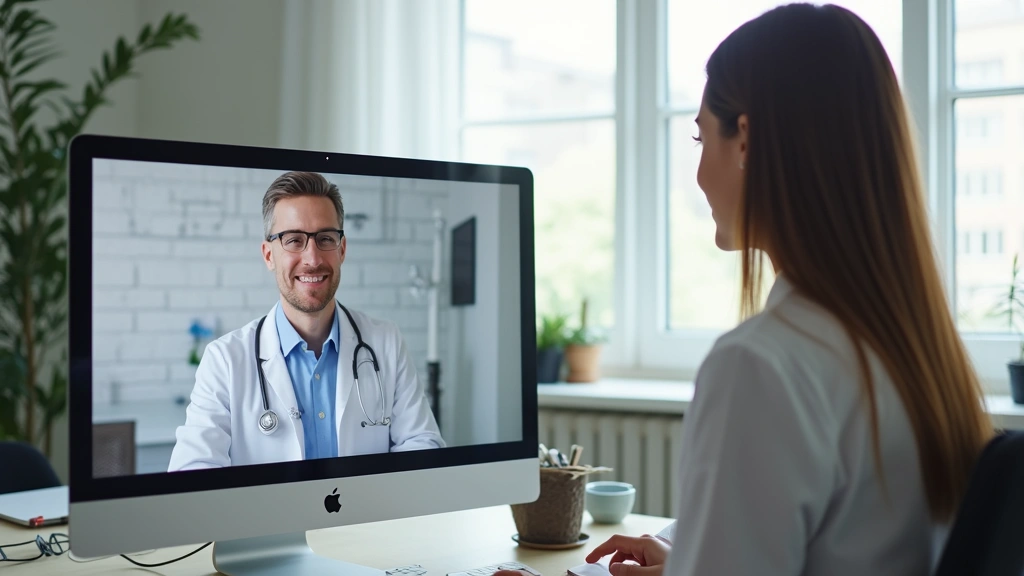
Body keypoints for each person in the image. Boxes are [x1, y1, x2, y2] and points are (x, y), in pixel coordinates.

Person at [501, 3, 993, 576]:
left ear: (746, 140)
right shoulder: (920, 355)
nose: (699, 172)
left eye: (699, 138)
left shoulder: (762, 366)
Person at [168, 171, 444, 471]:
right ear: (268, 255)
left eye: (325, 238)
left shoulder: (386, 342)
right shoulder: (224, 360)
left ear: (342, 249)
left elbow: (423, 446)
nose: (312, 258)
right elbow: (192, 473)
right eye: (294, 240)